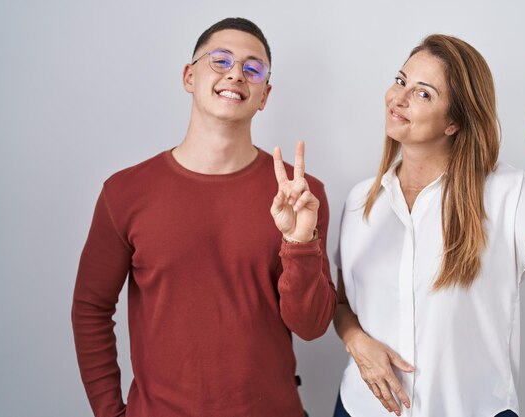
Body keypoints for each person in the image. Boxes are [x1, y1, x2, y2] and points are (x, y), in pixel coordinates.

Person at [333, 34, 525, 417]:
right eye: (401, 81)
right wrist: (356, 341)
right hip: (360, 409)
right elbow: (343, 303)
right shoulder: (359, 202)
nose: (399, 98)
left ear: (453, 122)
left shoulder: (503, 191)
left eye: (423, 93)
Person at [72, 17, 336, 417]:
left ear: (264, 94)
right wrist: (110, 412)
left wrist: (299, 242)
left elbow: (312, 326)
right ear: (188, 76)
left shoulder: (301, 195)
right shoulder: (124, 192)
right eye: (220, 60)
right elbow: (91, 307)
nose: (235, 74)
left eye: (253, 68)